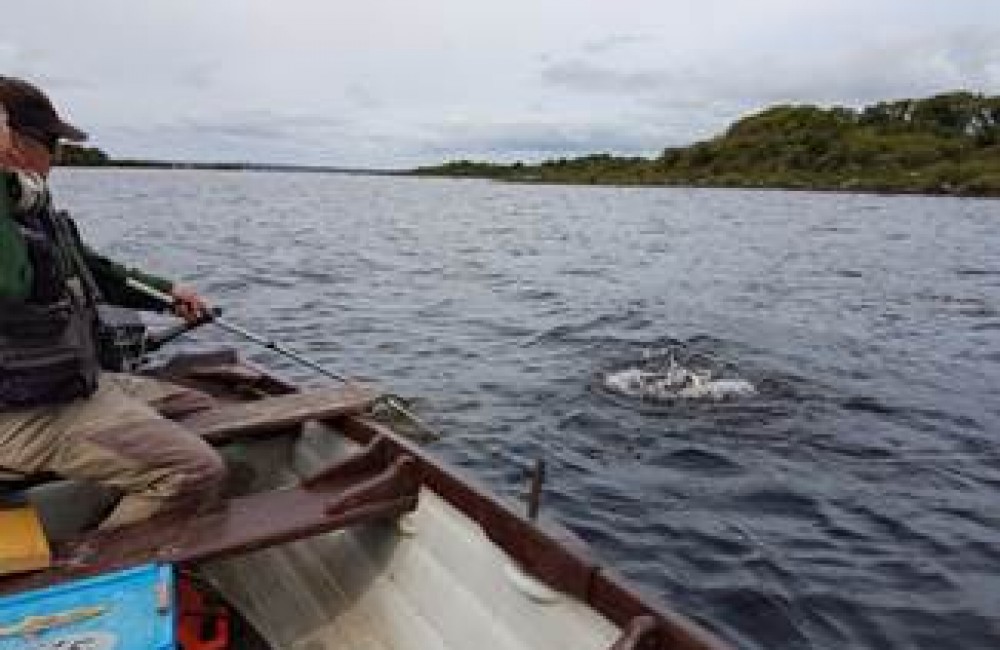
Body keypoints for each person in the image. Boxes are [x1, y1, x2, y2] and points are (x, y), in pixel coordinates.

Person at [0, 77, 226, 529]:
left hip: (66, 386)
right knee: (194, 470)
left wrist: (168, 294)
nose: (58, 157)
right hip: (17, 415)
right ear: (16, 143)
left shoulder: (34, 211)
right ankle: (85, 580)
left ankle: (120, 503)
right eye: (52, 143)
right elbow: (10, 283)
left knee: (203, 409)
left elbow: (94, 270)